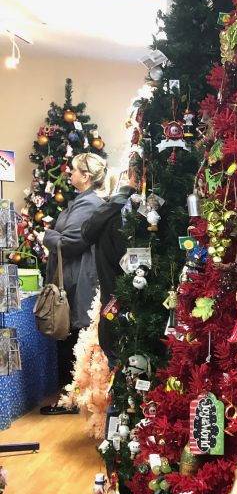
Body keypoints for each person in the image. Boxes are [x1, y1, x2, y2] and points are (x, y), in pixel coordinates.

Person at [39, 153, 107, 415]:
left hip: (77, 280)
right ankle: (71, 397)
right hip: (71, 279)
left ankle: (70, 399)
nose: (70, 174)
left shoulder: (88, 204)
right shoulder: (81, 202)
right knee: (68, 338)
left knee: (71, 338)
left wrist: (48, 235)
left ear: (86, 176)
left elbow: (70, 242)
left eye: (74, 171)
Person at [81, 165, 139, 366]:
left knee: (116, 355)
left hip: (112, 297)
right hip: (127, 298)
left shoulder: (109, 210)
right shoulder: (127, 211)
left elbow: (87, 232)